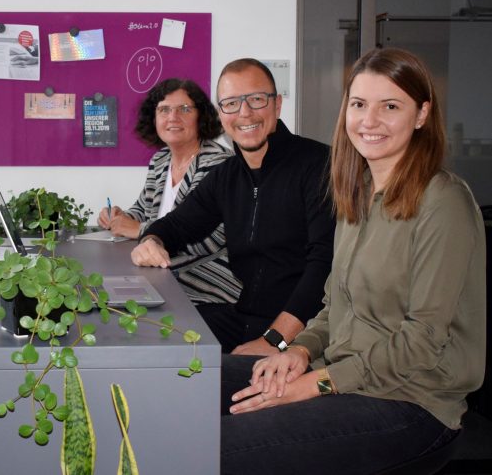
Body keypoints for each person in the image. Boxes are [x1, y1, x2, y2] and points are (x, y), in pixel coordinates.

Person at [220, 47, 486, 474]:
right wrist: (299, 352)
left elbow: (422, 340)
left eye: (391, 106)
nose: (370, 120)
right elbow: (333, 308)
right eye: (359, 104)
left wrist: (315, 384)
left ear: (421, 114)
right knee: (193, 386)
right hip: (341, 373)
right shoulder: (357, 194)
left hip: (412, 400)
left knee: (213, 446)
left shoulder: (444, 202)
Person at [131, 59, 335, 355]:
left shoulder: (317, 165)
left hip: (304, 333)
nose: (245, 113)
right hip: (244, 316)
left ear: (277, 105)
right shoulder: (226, 176)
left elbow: (323, 266)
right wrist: (151, 240)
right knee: (154, 339)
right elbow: (177, 225)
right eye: (231, 103)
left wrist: (274, 339)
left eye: (256, 99)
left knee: (203, 377)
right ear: (221, 114)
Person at [98, 78, 242, 311]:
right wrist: (117, 216)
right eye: (164, 109)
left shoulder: (217, 163)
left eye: (184, 109)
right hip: (161, 277)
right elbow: (142, 209)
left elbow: (210, 239)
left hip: (205, 286)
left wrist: (139, 230)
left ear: (201, 116)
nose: (173, 117)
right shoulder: (161, 160)